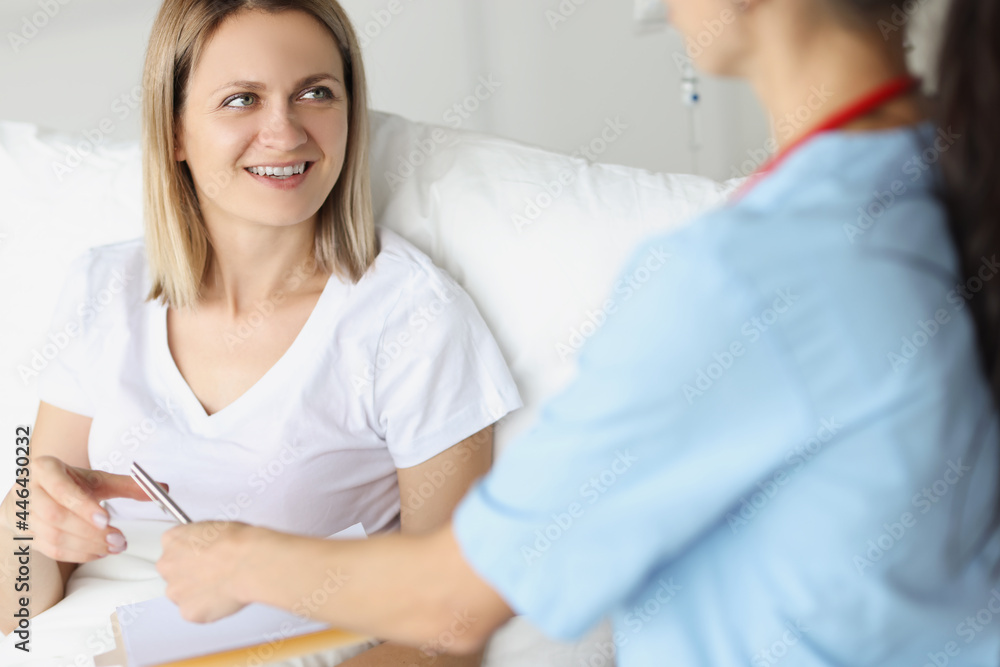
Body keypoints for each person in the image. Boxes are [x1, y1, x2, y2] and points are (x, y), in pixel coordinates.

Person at [154, 0, 1000, 663]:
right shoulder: (929, 178)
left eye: (314, 91)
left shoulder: (744, 275)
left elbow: (454, 602)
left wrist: (234, 560)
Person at [0, 1, 523, 665]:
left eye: (316, 94)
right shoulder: (105, 286)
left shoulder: (410, 319)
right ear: (175, 133)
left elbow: (451, 628)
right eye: (242, 99)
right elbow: (19, 603)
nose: (284, 131)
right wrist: (28, 520)